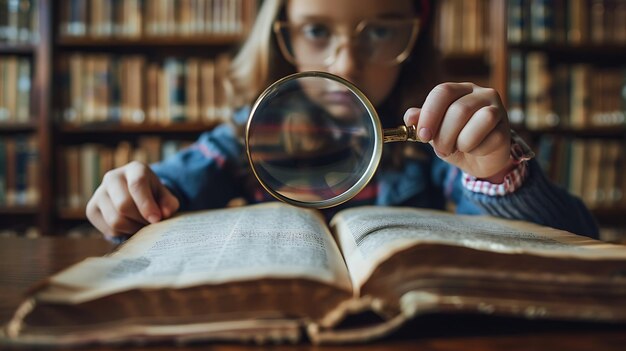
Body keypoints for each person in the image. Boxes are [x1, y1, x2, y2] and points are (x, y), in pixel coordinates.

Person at [86, 0, 599, 242]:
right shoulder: (248, 134)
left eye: (378, 31)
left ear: (412, 38)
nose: (346, 63)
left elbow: (572, 237)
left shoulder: (433, 139)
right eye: (315, 30)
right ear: (280, 36)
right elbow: (177, 183)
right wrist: (136, 195)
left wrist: (493, 173)